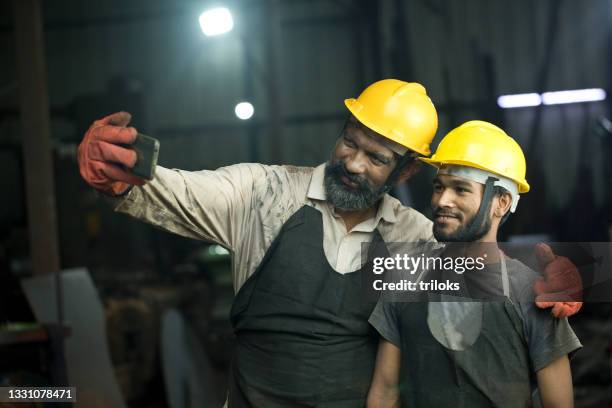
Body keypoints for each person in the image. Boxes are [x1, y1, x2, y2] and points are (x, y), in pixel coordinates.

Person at [77, 79, 581, 407]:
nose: (354, 163)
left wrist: (566, 280)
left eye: (377, 157)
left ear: (405, 169)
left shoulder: (412, 237)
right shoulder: (263, 194)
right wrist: (121, 175)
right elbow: (178, 188)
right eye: (350, 142)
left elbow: (488, 273)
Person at [367, 121, 582, 408]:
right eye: (439, 187)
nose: (443, 200)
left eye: (461, 190)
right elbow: (385, 391)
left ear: (501, 203)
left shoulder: (534, 294)